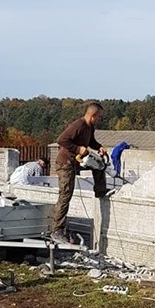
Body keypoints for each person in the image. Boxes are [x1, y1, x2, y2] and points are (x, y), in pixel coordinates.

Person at [51, 102, 108, 241]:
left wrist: (99, 147)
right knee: (65, 195)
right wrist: (78, 149)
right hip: (65, 163)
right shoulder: (79, 125)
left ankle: (100, 191)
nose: (100, 120)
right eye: (99, 117)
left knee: (99, 166)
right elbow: (61, 140)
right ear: (93, 115)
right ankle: (57, 229)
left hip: (77, 161)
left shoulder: (90, 128)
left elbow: (91, 141)